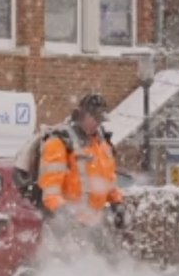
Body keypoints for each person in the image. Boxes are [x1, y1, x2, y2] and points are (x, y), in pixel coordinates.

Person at [37, 93, 126, 252]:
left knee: (110, 265)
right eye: (95, 118)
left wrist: (117, 203)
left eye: (101, 120)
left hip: (94, 223)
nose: (98, 124)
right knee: (79, 269)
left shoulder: (102, 144)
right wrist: (64, 214)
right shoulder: (60, 142)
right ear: (82, 115)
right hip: (69, 227)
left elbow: (108, 180)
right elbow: (50, 190)